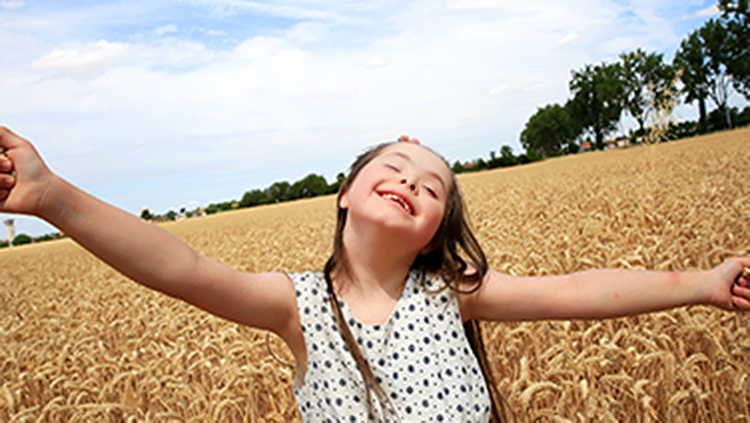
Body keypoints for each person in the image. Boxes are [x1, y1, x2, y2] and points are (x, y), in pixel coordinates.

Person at [0, 126, 748, 422]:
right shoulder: (297, 307)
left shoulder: (452, 293)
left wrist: (705, 282)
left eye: (432, 187)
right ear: (346, 193)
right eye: (392, 167)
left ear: (434, 233)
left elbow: (582, 289)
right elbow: (183, 264)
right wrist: (52, 196)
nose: (411, 181)